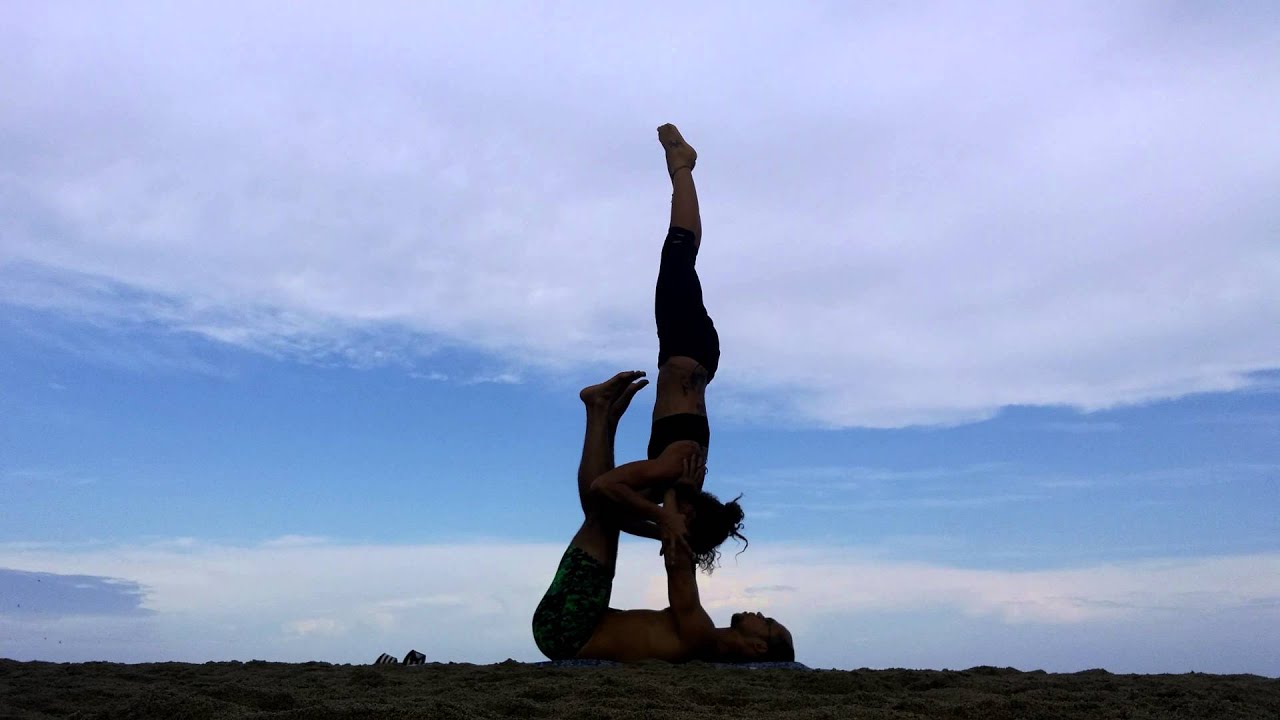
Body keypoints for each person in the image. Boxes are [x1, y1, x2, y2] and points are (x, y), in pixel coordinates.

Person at [530, 371, 794, 663]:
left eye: (767, 622)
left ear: (760, 646)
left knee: (600, 516)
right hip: (573, 627)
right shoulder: (699, 637)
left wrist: (677, 489)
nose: (760, 614)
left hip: (566, 630)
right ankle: (602, 415)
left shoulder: (699, 634)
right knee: (604, 515)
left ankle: (599, 411)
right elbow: (669, 545)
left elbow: (678, 564)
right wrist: (668, 516)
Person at [641, 123, 746, 573]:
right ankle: (682, 168)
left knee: (680, 254)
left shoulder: (680, 478)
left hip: (694, 354)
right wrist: (664, 519)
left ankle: (681, 170)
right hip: (687, 348)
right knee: (679, 251)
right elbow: (603, 488)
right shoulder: (673, 473)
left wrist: (662, 522)